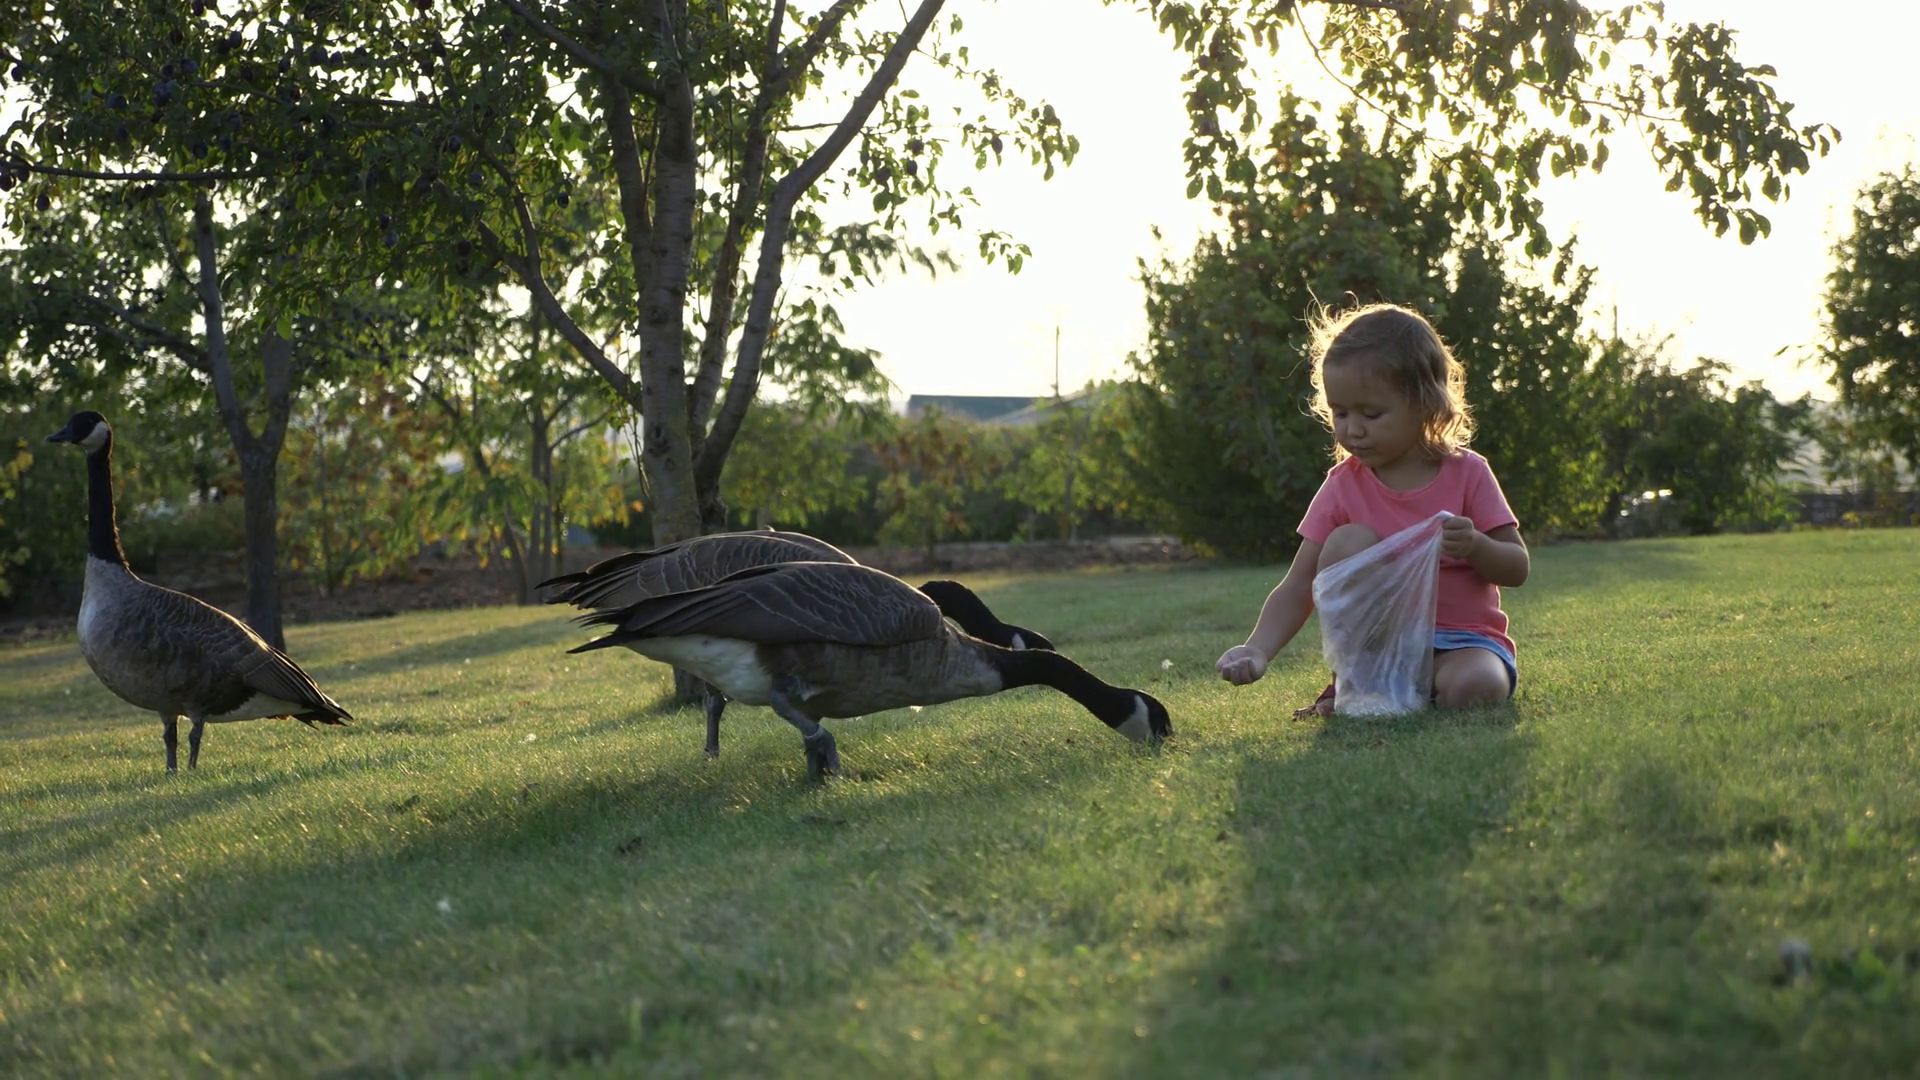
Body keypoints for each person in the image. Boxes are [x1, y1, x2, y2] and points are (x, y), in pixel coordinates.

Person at [1215, 303, 1530, 714]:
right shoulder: (1343, 486)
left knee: (1478, 686)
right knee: (1349, 540)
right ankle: (1365, 684)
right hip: (1378, 653)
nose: (1353, 429)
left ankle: (1408, 693)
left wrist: (1475, 545)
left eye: (1371, 413)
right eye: (1340, 413)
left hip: (1462, 643)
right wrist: (1256, 649)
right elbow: (1300, 584)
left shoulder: (1468, 473)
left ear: (1425, 404)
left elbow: (1517, 568)